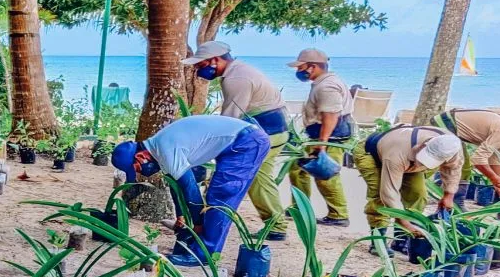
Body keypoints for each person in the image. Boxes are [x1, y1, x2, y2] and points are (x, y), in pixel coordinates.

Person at [111, 114, 270, 266]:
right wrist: (181, 215)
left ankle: (203, 255)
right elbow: (176, 186)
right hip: (236, 142)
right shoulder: (158, 147)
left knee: (221, 197)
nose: (141, 172)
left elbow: (189, 187)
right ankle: (202, 246)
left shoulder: (166, 150)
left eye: (137, 168)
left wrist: (198, 223)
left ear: (140, 157)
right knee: (215, 196)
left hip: (246, 143)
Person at [182, 40, 290, 240]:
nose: (198, 70)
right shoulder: (237, 71)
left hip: (268, 131)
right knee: (260, 177)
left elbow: (230, 121)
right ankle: (276, 224)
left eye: (200, 65)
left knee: (258, 177)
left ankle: (276, 226)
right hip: (274, 128)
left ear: (215, 60)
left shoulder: (236, 78)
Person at [351, 125, 463, 244]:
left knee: (417, 193)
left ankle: (401, 240)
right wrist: (404, 223)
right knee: (380, 197)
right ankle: (378, 241)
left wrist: (448, 196)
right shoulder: (396, 154)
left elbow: (453, 169)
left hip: (408, 160)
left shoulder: (451, 147)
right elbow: (389, 193)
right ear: (424, 145)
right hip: (371, 154)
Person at [286, 48, 355, 227]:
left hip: (329, 136)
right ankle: (300, 207)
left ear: (313, 66)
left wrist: (322, 144)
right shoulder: (324, 82)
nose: (298, 71)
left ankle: (339, 214)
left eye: (301, 67)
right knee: (297, 168)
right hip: (321, 134)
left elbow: (330, 116)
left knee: (326, 174)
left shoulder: (326, 86)